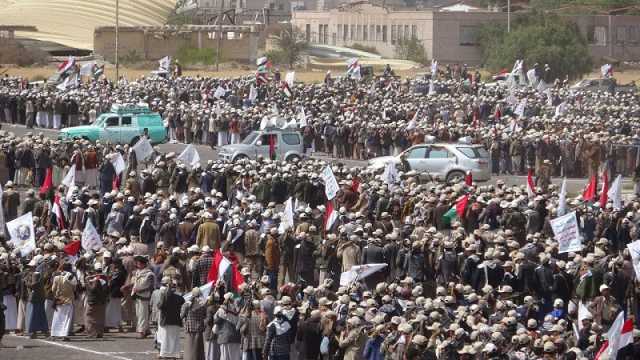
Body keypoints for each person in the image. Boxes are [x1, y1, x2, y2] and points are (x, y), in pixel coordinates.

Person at [157, 277, 184, 359]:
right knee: (175, 339)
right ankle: (176, 354)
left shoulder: (164, 298)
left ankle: (164, 354)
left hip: (166, 321)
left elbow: (160, 306)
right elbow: (183, 301)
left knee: (165, 338)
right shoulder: (179, 298)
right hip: (176, 321)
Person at [50, 262, 76, 341]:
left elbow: (53, 289)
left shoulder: (56, 277)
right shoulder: (72, 277)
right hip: (68, 300)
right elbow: (74, 288)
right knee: (67, 319)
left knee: (57, 317)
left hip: (59, 300)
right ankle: (64, 335)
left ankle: (54, 334)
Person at [131, 255, 154, 338]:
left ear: (144, 264)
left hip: (145, 296)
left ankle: (142, 332)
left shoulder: (149, 274)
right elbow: (135, 283)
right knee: (139, 314)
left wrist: (142, 290)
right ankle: (146, 330)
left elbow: (151, 286)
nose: (137, 264)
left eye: (139, 263)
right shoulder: (138, 272)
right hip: (137, 295)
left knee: (142, 314)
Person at [181, 287, 207, 360]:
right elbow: (205, 315)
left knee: (189, 347)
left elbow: (181, 315)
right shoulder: (203, 304)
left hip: (190, 327)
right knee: (199, 348)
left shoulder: (187, 304)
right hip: (199, 327)